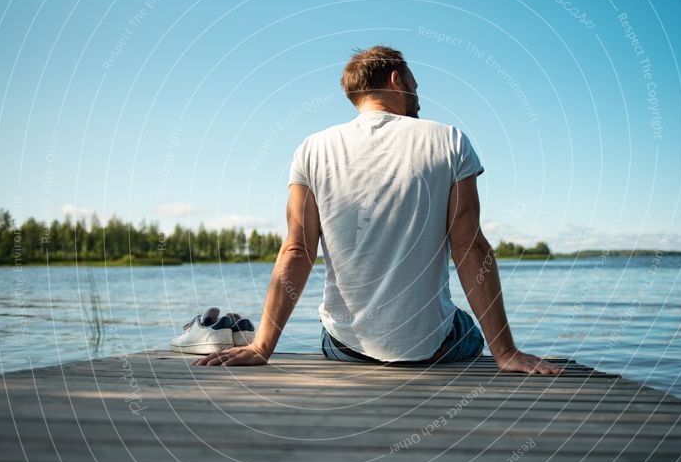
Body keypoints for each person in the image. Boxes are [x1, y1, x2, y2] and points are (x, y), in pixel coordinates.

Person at [194, 46, 563, 374]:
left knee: (340, 325)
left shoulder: (311, 148)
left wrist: (262, 346)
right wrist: (506, 351)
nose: (418, 98)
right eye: (415, 87)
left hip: (343, 349)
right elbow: (470, 248)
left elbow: (298, 250)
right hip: (431, 349)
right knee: (468, 331)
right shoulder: (449, 139)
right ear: (395, 78)